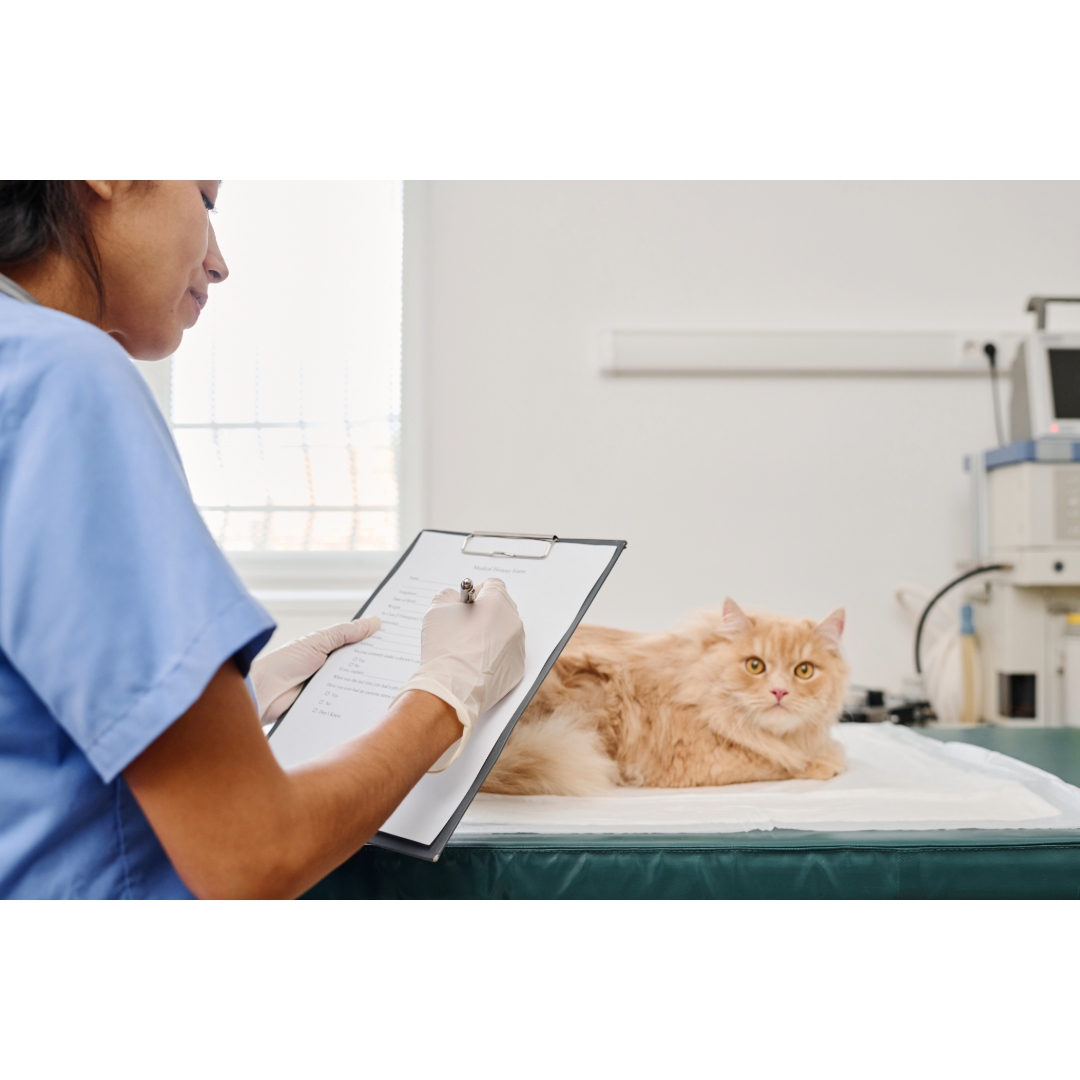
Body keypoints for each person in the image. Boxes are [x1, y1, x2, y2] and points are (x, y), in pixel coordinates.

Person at [0, 180, 526, 899]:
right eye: (207, 200)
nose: (219, 264)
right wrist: (448, 693)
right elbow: (252, 854)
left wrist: (240, 699)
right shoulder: (63, 379)